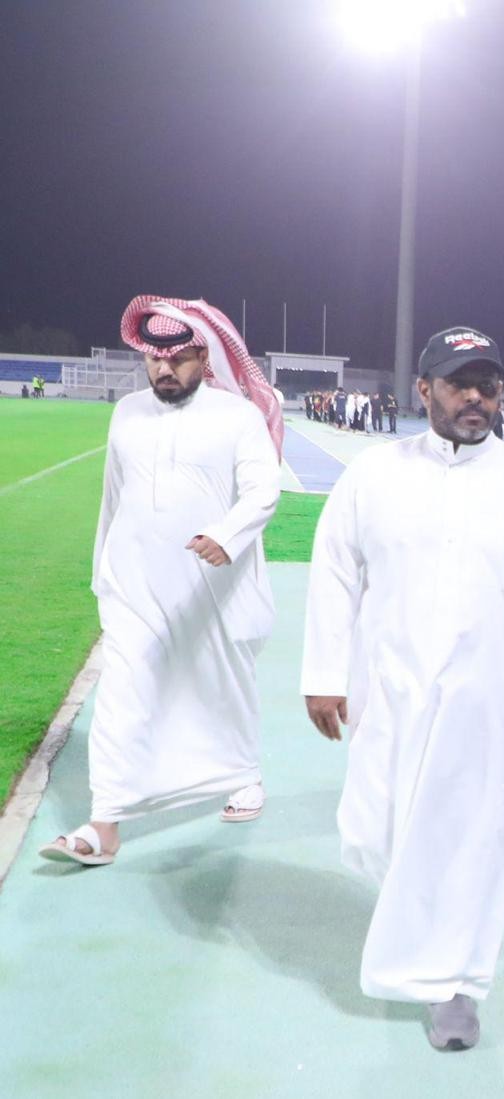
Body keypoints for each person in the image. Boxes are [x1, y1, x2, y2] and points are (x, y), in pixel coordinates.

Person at [301, 326, 504, 1051]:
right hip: (389, 689)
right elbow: (334, 573)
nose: (475, 398)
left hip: (494, 697)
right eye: (460, 384)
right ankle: (424, 938)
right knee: (373, 830)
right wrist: (324, 676)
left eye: (487, 385)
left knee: (473, 838)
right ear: (423, 388)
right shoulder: (374, 474)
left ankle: (455, 982)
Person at [39, 295, 283, 867]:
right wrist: (102, 571)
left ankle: (242, 774)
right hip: (135, 585)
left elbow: (263, 489)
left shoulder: (236, 417)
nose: (164, 369)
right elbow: (113, 496)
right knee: (120, 697)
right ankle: (105, 825)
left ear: (203, 357)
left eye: (177, 358)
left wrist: (227, 534)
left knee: (220, 687)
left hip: (211, 587)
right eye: (154, 359)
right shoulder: (127, 412)